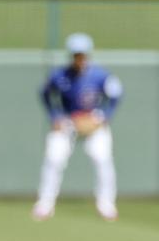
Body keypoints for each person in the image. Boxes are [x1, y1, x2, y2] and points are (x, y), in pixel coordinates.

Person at [33, 33, 121, 222]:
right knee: (54, 159)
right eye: (76, 54)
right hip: (69, 122)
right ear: (71, 56)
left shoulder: (100, 75)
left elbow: (116, 94)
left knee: (103, 160)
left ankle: (106, 203)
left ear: (88, 55)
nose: (79, 58)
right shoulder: (60, 75)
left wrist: (104, 116)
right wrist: (55, 116)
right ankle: (45, 203)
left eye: (82, 54)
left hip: (93, 121)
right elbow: (45, 93)